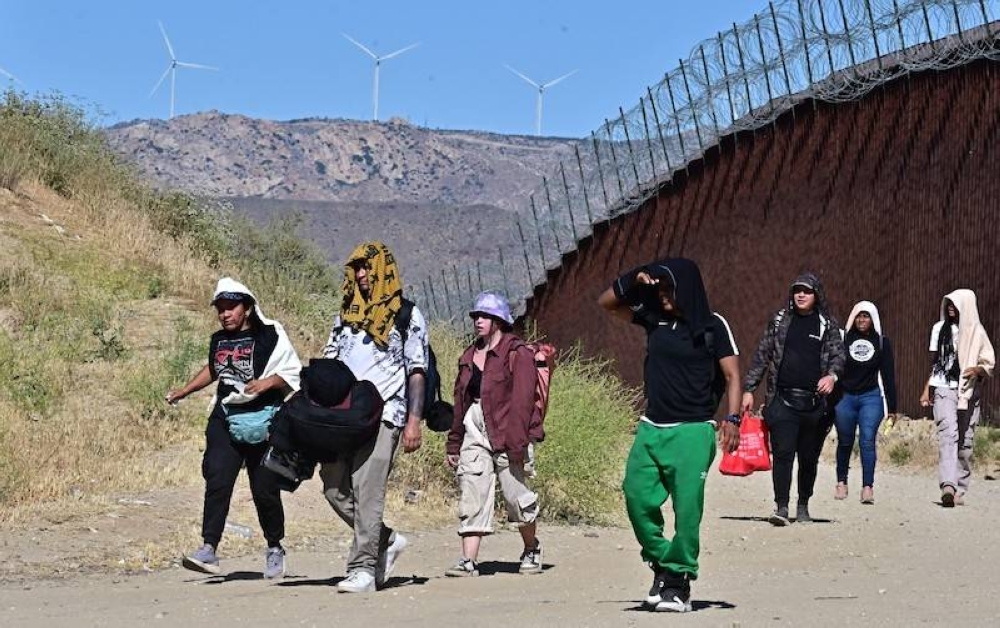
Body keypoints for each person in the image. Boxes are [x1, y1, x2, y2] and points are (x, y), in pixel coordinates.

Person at [598, 258, 740, 613]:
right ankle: (666, 564)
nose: (662, 295)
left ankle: (678, 583)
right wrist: (635, 277)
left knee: (687, 510)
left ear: (686, 288)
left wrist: (733, 418)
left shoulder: (712, 325)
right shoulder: (653, 317)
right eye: (660, 288)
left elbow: (733, 376)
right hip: (651, 427)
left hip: (693, 430)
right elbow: (607, 303)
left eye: (669, 289)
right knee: (635, 495)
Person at [166, 277, 301, 578]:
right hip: (226, 415)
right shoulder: (219, 340)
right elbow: (214, 369)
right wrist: (185, 391)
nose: (225, 314)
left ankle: (275, 546)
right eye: (221, 309)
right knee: (217, 477)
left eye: (231, 307)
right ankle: (209, 548)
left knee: (263, 487)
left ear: (248, 308)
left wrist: (266, 383)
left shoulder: (270, 335)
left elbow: (292, 371)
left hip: (262, 417)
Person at [320, 241, 427, 593]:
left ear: (384, 270)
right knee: (334, 487)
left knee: (368, 490)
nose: (363, 275)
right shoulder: (345, 315)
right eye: (358, 269)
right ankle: (386, 539)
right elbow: (332, 360)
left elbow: (416, 370)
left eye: (369, 268)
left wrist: (413, 421)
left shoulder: (406, 315)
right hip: (344, 414)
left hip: (387, 413)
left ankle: (363, 568)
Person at [444, 291, 543, 578]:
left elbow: (523, 401)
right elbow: (460, 402)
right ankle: (468, 560)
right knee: (472, 489)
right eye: (476, 316)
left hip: (509, 428)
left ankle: (531, 548)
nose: (478, 321)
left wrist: (516, 443)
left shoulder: (517, 353)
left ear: (499, 321)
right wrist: (454, 441)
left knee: (515, 495)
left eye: (485, 316)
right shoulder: (468, 356)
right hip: (474, 426)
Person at [742, 273, 845, 526]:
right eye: (797, 290)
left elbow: (839, 356)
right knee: (783, 454)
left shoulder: (827, 325)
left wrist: (832, 376)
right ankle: (781, 506)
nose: (801, 295)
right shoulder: (779, 321)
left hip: (813, 404)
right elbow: (762, 354)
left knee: (808, 457)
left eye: (806, 291)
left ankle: (803, 505)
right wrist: (749, 389)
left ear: (816, 295)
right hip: (782, 400)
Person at [919, 289, 994, 507]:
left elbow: (988, 361)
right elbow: (936, 363)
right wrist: (927, 389)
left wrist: (978, 370)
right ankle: (948, 486)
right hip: (944, 387)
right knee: (947, 433)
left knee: (965, 439)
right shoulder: (938, 329)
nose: (951, 307)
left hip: (968, 390)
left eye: (955, 304)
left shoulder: (977, 333)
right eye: (948, 303)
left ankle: (960, 486)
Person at [834, 301, 897, 504]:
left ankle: (867, 487)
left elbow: (888, 375)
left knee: (867, 440)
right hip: (845, 397)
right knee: (845, 441)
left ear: (873, 319)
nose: (862, 320)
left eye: (866, 316)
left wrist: (893, 407)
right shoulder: (844, 339)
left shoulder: (881, 343)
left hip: (870, 397)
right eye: (859, 316)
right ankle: (841, 481)